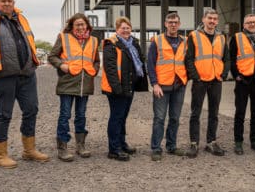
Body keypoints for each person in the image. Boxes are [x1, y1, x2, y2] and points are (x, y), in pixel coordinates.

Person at [0, 0, 49, 168]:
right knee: (4, 114)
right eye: (3, 1)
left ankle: (29, 150)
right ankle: (1, 154)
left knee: (31, 110)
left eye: (10, 1)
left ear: (14, 2)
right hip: (3, 76)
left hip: (27, 74)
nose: (7, 3)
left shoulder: (21, 18)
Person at [48, 13, 100, 162]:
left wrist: (94, 70)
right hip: (67, 83)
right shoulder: (63, 37)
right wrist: (61, 65)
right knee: (65, 115)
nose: (81, 27)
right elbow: (52, 56)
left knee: (81, 115)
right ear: (72, 25)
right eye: (77, 24)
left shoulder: (94, 40)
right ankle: (62, 148)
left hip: (85, 84)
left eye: (83, 24)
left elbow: (96, 60)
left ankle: (80, 145)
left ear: (87, 25)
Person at [101, 16, 148, 161]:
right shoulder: (111, 45)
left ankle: (122, 144)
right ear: (117, 29)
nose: (126, 30)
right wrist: (117, 88)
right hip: (118, 88)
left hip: (129, 86)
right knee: (116, 117)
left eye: (128, 27)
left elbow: (140, 60)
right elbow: (110, 69)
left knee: (123, 117)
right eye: (123, 28)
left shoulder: (133, 43)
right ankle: (114, 149)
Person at [185, 8, 230, 158]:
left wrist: (223, 74)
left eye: (215, 19)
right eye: (209, 18)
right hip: (200, 81)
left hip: (216, 80)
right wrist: (195, 76)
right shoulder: (194, 35)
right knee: (195, 113)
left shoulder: (222, 37)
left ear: (217, 21)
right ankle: (194, 143)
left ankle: (211, 142)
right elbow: (189, 58)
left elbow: (227, 58)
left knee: (214, 113)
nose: (212, 21)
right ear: (204, 19)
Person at [148, 13, 187, 161]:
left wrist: (185, 79)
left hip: (179, 86)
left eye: (175, 22)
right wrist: (154, 84)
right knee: (159, 118)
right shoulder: (157, 41)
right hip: (162, 87)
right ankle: (156, 148)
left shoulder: (185, 41)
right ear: (165, 24)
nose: (173, 25)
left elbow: (188, 61)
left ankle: (171, 146)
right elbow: (150, 64)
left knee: (175, 118)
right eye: (170, 22)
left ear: (179, 24)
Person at [229, 14, 255, 155]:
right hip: (242, 81)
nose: (252, 24)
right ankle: (238, 141)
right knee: (240, 112)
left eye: (254, 22)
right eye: (249, 22)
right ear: (244, 25)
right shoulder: (237, 38)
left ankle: (254, 140)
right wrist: (237, 76)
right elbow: (232, 58)